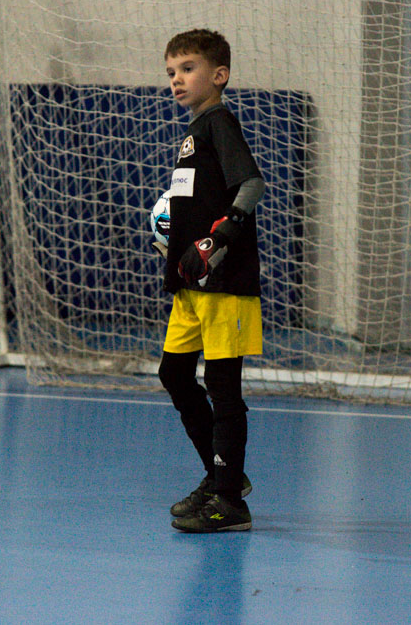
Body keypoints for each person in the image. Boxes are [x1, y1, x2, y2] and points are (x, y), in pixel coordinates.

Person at [157, 29, 266, 533]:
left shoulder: (219, 122)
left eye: (188, 69)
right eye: (171, 72)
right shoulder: (193, 133)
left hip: (223, 282)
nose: (177, 79)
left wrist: (218, 238)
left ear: (219, 75)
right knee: (175, 374)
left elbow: (251, 183)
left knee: (222, 386)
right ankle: (223, 476)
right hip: (190, 286)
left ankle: (230, 503)